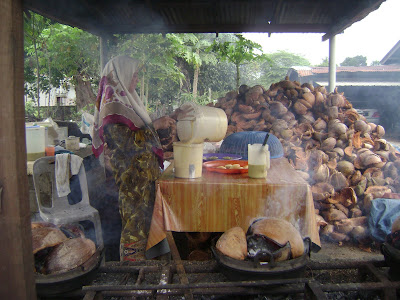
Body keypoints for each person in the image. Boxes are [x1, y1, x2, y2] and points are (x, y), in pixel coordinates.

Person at [92, 55, 175, 261]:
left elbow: (143, 137)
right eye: (134, 75)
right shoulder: (113, 109)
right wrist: (155, 125)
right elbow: (127, 144)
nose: (136, 79)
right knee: (135, 223)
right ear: (122, 75)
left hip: (146, 178)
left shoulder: (129, 103)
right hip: (132, 181)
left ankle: (150, 268)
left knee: (149, 221)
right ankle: (131, 271)